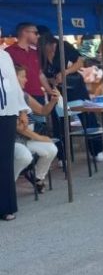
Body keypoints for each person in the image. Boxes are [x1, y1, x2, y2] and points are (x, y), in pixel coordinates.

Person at [38, 27, 103, 162]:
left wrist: (65, 72)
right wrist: (50, 82)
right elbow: (41, 73)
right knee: (59, 124)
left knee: (88, 118)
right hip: (56, 91)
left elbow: (79, 62)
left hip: (75, 87)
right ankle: (63, 156)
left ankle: (96, 149)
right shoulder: (38, 53)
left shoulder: (64, 46)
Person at [1, 25, 30, 221]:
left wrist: (22, 110)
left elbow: (12, 85)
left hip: (7, 112)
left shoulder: (4, 56)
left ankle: (5, 206)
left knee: (4, 159)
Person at [14, 65, 59, 193]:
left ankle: (38, 178)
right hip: (14, 141)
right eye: (22, 76)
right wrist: (41, 138)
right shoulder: (8, 98)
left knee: (51, 149)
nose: (26, 80)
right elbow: (19, 128)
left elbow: (43, 111)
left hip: (27, 139)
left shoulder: (25, 96)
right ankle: (9, 184)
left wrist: (52, 101)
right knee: (25, 157)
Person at [6, 23, 54, 113]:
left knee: (39, 124)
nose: (38, 36)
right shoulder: (8, 52)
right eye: (35, 33)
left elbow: (40, 74)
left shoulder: (35, 52)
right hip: (20, 95)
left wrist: (50, 91)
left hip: (37, 94)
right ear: (25, 32)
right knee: (23, 124)